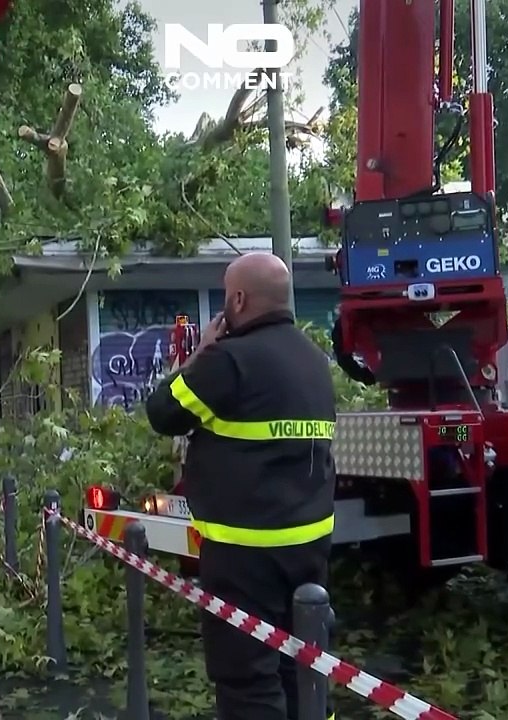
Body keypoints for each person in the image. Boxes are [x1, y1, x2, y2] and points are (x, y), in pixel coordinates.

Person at [145, 252, 337, 720]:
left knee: (247, 679)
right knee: (302, 667)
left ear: (238, 299)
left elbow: (163, 412)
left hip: (243, 555)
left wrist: (200, 352)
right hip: (309, 546)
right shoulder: (314, 361)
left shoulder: (228, 361)